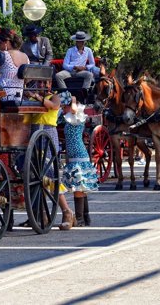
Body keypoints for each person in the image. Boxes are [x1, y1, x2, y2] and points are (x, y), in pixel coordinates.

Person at [19, 84, 75, 230]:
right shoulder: (32, 99)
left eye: (45, 83)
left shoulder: (54, 96)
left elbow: (54, 106)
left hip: (48, 135)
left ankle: (67, 211)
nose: (42, 86)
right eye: (39, 83)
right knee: (35, 177)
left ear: (49, 83)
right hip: (33, 137)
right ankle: (40, 214)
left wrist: (37, 97)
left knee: (50, 175)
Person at [61, 94, 99, 227]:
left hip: (79, 155)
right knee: (81, 188)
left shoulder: (77, 116)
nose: (63, 109)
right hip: (73, 155)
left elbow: (74, 110)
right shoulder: (68, 118)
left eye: (64, 106)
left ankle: (80, 218)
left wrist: (73, 99)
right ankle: (86, 217)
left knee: (78, 188)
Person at [0, 27, 29, 102]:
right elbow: (26, 80)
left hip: (3, 95)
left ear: (6, 42)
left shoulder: (4, 55)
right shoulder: (25, 56)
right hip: (18, 96)